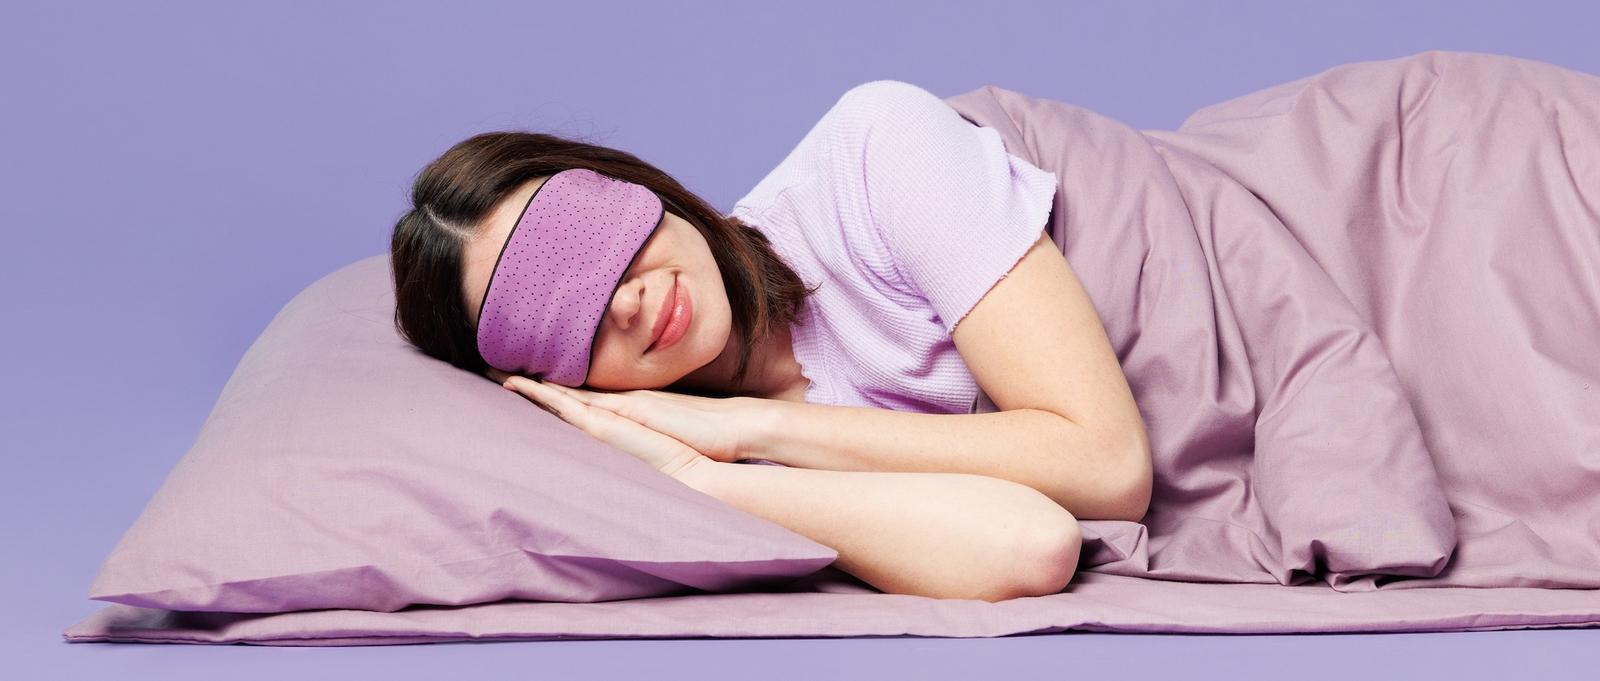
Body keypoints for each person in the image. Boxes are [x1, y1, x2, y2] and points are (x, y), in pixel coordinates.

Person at [389, 80, 1154, 602]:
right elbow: (1031, 544)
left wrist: (754, 422)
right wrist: (708, 476)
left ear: (629, 184)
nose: (626, 300)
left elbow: (1108, 464)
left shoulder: (874, 152)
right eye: (563, 320)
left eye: (593, 240)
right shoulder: (680, 463)